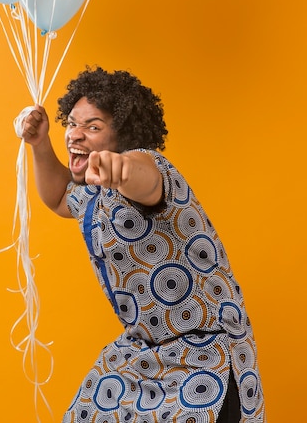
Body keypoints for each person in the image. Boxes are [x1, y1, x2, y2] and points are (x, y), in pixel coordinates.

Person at [19, 66, 266, 423]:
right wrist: (40, 143)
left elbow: (145, 180)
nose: (75, 135)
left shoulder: (152, 168)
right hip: (143, 351)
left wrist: (119, 168)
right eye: (72, 123)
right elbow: (59, 196)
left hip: (206, 353)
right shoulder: (93, 194)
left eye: (93, 127)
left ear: (123, 134)